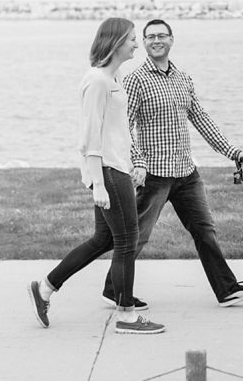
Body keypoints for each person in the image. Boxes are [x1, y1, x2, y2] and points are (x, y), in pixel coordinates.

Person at [100, 18, 243, 308]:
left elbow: (200, 118)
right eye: (150, 37)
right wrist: (138, 161)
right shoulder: (136, 80)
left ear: (172, 40)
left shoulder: (183, 78)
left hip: (187, 173)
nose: (156, 40)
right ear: (144, 43)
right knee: (137, 236)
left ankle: (227, 290)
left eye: (162, 35)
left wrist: (233, 152)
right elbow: (124, 126)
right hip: (155, 175)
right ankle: (115, 289)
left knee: (204, 230)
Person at [28, 17, 165, 334]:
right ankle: (127, 316)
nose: (136, 43)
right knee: (127, 242)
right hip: (108, 172)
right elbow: (90, 139)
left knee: (104, 239)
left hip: (116, 168)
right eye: (132, 38)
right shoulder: (97, 82)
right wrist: (99, 185)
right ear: (116, 42)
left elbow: (117, 131)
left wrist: (133, 163)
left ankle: (45, 288)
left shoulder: (114, 78)